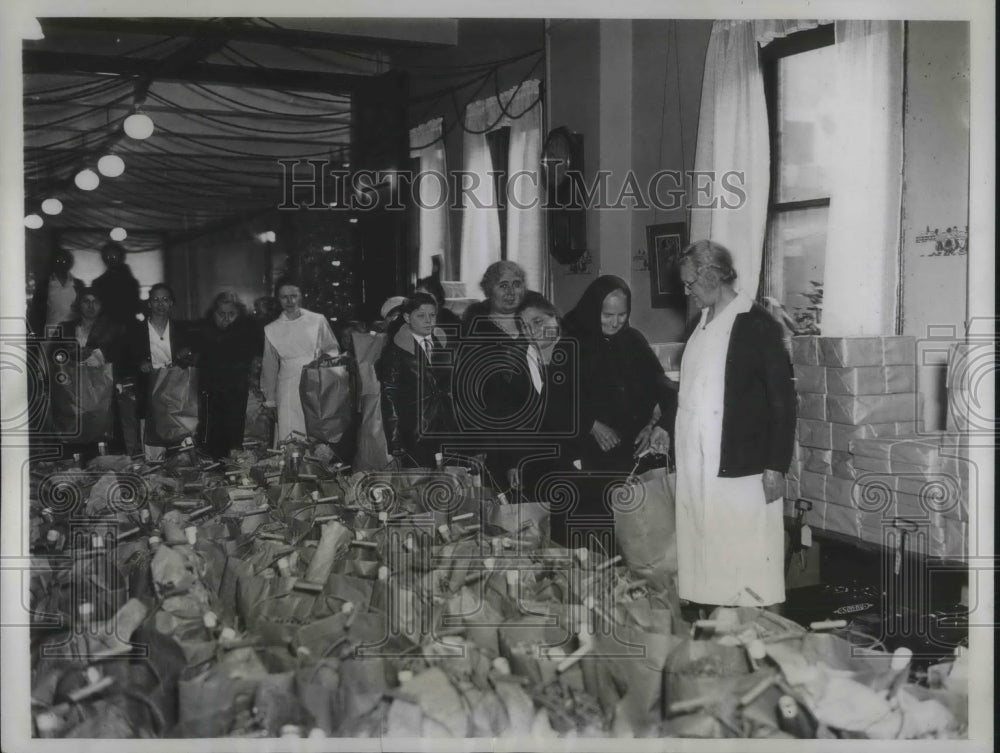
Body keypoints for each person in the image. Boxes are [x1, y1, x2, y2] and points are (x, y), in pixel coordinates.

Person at [649, 240, 796, 610]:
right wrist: (666, 424)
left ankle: (756, 636)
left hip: (739, 467)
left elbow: (783, 400)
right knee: (707, 553)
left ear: (712, 275)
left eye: (690, 283)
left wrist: (776, 466)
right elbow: (692, 387)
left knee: (747, 562)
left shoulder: (756, 323)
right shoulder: (700, 325)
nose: (687, 291)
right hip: (698, 463)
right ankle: (717, 633)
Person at [562, 275, 676, 474]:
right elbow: (558, 397)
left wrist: (652, 425)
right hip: (590, 449)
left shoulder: (633, 339)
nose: (615, 323)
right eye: (607, 315)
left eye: (622, 314)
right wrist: (590, 424)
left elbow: (660, 388)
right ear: (592, 310)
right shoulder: (570, 342)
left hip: (637, 446)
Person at [455, 260, 528, 484]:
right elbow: (466, 394)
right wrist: (477, 445)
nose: (510, 292)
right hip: (494, 439)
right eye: (502, 285)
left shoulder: (534, 323)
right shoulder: (474, 332)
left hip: (533, 436)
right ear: (489, 290)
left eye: (516, 284)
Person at [377, 293, 455, 468]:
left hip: (447, 430)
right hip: (415, 432)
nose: (428, 321)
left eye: (432, 315)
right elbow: (389, 395)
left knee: (450, 484)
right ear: (407, 317)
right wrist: (395, 439)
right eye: (421, 316)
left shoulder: (444, 343)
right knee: (418, 486)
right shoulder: (395, 351)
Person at [124, 283, 200, 458]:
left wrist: (187, 354)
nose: (160, 304)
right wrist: (139, 364)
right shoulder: (135, 331)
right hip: (147, 395)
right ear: (149, 303)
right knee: (153, 450)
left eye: (165, 300)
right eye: (156, 300)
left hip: (177, 396)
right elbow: (125, 361)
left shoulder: (183, 329)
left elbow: (195, 358)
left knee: (181, 450)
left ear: (171, 303)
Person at [261, 278, 340, 444]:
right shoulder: (272, 329)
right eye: (284, 297)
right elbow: (270, 366)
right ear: (278, 299)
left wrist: (322, 362)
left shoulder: (317, 320)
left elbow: (332, 349)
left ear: (301, 296)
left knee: (317, 429)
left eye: (293, 295)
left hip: (316, 381)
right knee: (291, 429)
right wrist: (270, 399)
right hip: (288, 385)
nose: (290, 301)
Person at [198, 291, 263, 458]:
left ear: (239, 314)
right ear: (213, 314)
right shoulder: (203, 333)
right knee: (211, 441)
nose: (226, 319)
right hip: (209, 397)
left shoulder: (249, 334)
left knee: (236, 440)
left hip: (239, 395)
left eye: (231, 314)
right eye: (221, 314)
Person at [30, 247, 85, 335]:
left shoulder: (78, 284)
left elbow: (84, 309)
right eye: (58, 262)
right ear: (53, 264)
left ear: (69, 263)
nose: (61, 265)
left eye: (64, 261)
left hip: (73, 332)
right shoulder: (44, 285)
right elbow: (35, 311)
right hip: (50, 332)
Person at [91, 242, 142, 330]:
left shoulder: (131, 282)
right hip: (106, 329)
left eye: (114, 256)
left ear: (121, 257)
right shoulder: (98, 283)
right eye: (107, 257)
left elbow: (135, 306)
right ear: (103, 259)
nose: (111, 259)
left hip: (128, 327)